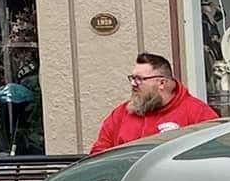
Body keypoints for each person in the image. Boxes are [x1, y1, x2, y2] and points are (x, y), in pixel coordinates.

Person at [89, 53, 219, 153]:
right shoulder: (120, 114)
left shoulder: (197, 113)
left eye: (139, 79)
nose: (133, 84)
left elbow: (213, 153)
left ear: (161, 83)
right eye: (132, 78)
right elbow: (98, 155)